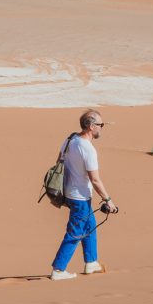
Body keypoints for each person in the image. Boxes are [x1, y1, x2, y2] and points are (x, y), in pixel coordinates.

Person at [50, 110, 118, 280]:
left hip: (71, 194)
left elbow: (59, 161)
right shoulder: (88, 149)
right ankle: (58, 270)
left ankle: (91, 262)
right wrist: (108, 200)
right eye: (100, 125)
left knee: (90, 227)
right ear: (91, 126)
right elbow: (95, 179)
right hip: (79, 198)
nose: (102, 128)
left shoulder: (69, 140)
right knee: (75, 232)